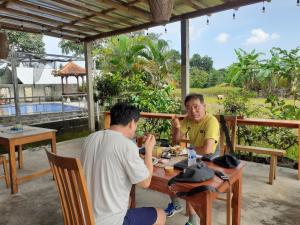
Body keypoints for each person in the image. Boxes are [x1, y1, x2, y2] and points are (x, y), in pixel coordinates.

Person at [81, 102, 166, 225]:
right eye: (136, 124)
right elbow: (145, 182)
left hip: (85, 217)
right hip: (108, 221)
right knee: (160, 214)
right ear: (132, 123)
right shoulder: (126, 145)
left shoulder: (90, 138)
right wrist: (148, 150)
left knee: (129, 200)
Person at [165, 93, 220, 225]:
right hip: (193, 156)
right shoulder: (188, 119)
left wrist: (187, 150)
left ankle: (193, 220)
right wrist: (177, 128)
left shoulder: (211, 121)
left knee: (189, 182)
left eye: (196, 107)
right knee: (169, 172)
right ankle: (176, 205)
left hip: (210, 159)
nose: (192, 111)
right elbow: (176, 142)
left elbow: (208, 149)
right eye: (188, 108)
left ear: (204, 106)